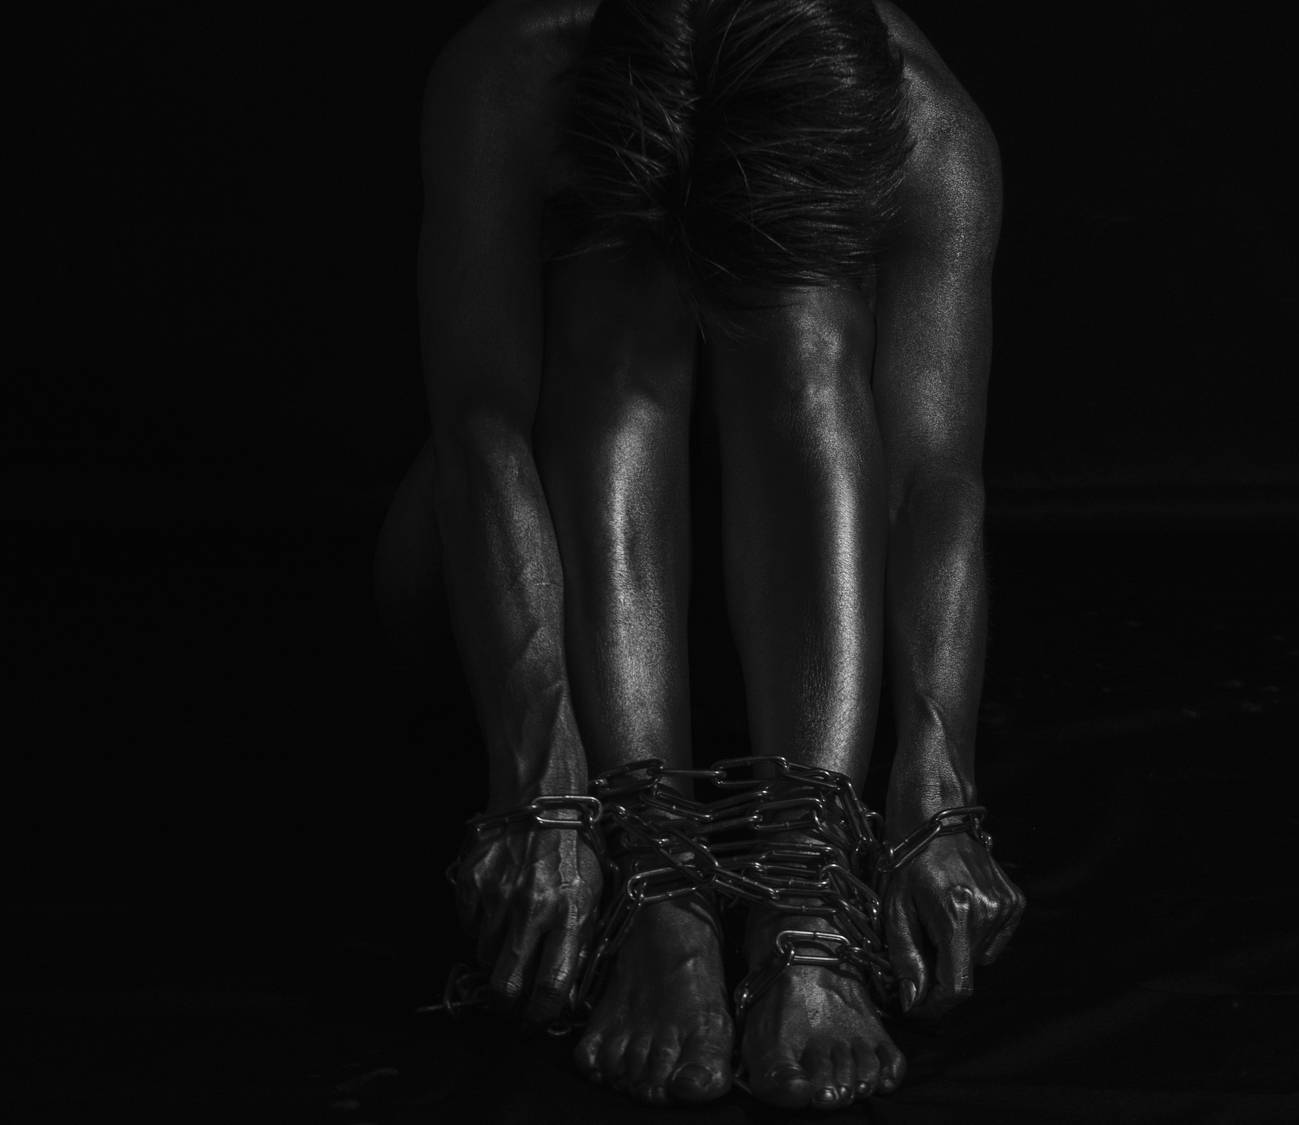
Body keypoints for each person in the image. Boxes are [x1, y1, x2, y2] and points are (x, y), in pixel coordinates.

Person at [374, 0, 1024, 1109]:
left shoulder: (926, 124)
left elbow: (930, 484)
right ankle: (658, 892)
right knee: (617, 284)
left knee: (804, 320)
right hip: (529, 610)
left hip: (826, 660)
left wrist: (939, 782)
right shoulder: (516, 71)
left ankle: (806, 906)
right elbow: (480, 430)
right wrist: (541, 779)